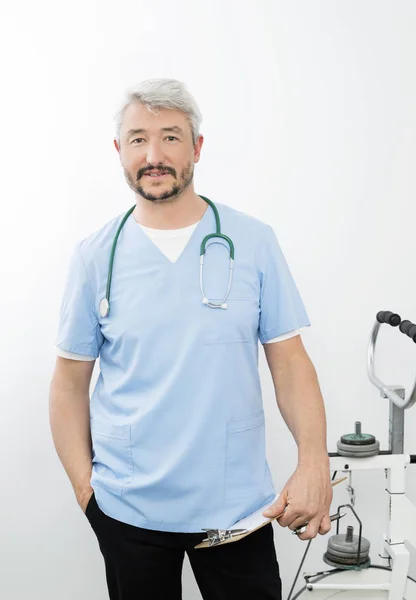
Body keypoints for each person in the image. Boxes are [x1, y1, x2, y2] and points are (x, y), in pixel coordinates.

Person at [49, 78, 333, 600]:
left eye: (171, 137)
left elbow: (290, 364)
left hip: (237, 509)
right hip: (128, 509)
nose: (153, 154)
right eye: (138, 139)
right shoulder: (95, 257)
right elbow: (69, 384)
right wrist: (87, 494)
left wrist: (314, 460)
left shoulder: (252, 241)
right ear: (119, 151)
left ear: (197, 147)